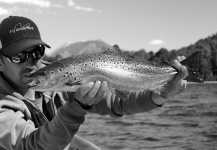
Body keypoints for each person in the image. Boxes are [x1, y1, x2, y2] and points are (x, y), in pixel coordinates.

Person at [0, 16, 188, 150]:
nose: (31, 62)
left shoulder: (61, 78)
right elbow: (31, 146)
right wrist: (77, 107)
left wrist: (163, 92)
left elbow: (119, 103)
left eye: (37, 52)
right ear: (0, 61)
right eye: (19, 56)